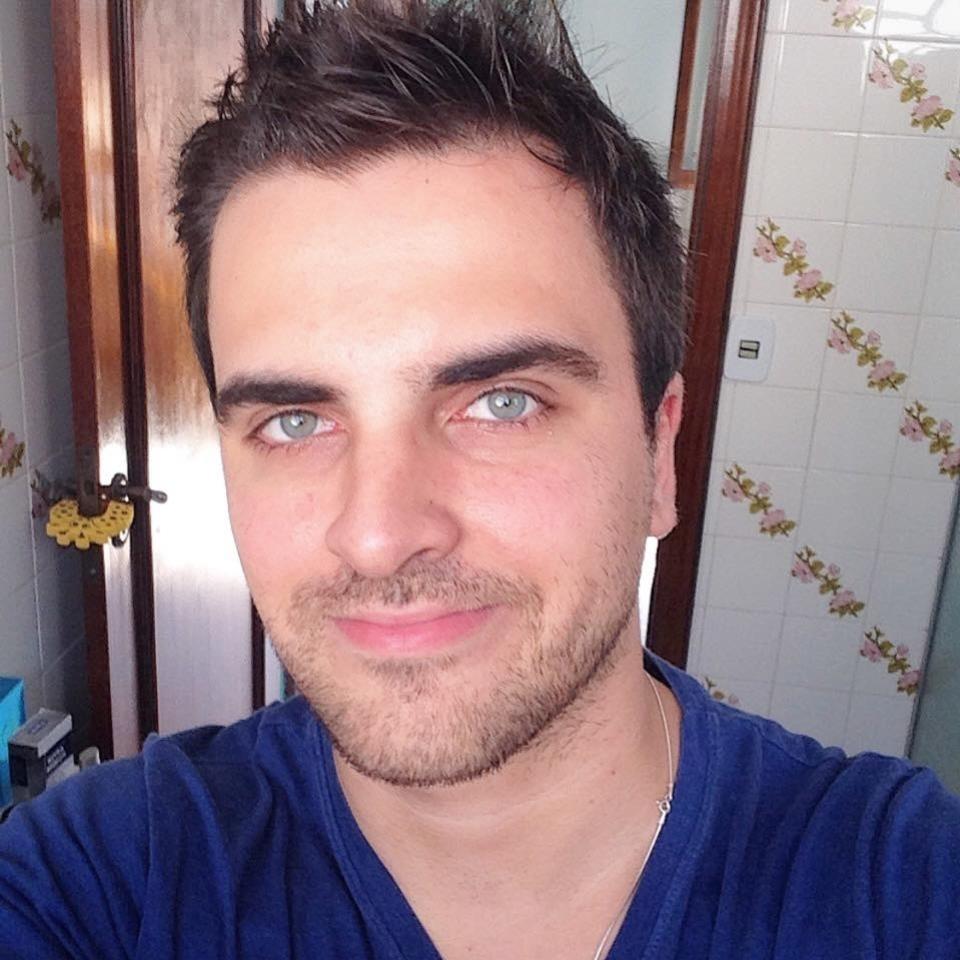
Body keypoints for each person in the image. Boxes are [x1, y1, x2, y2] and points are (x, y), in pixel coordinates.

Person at [1, 2, 958, 958]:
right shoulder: (99, 882)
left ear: (660, 452)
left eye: (503, 403)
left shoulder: (899, 889)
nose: (378, 536)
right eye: (295, 421)